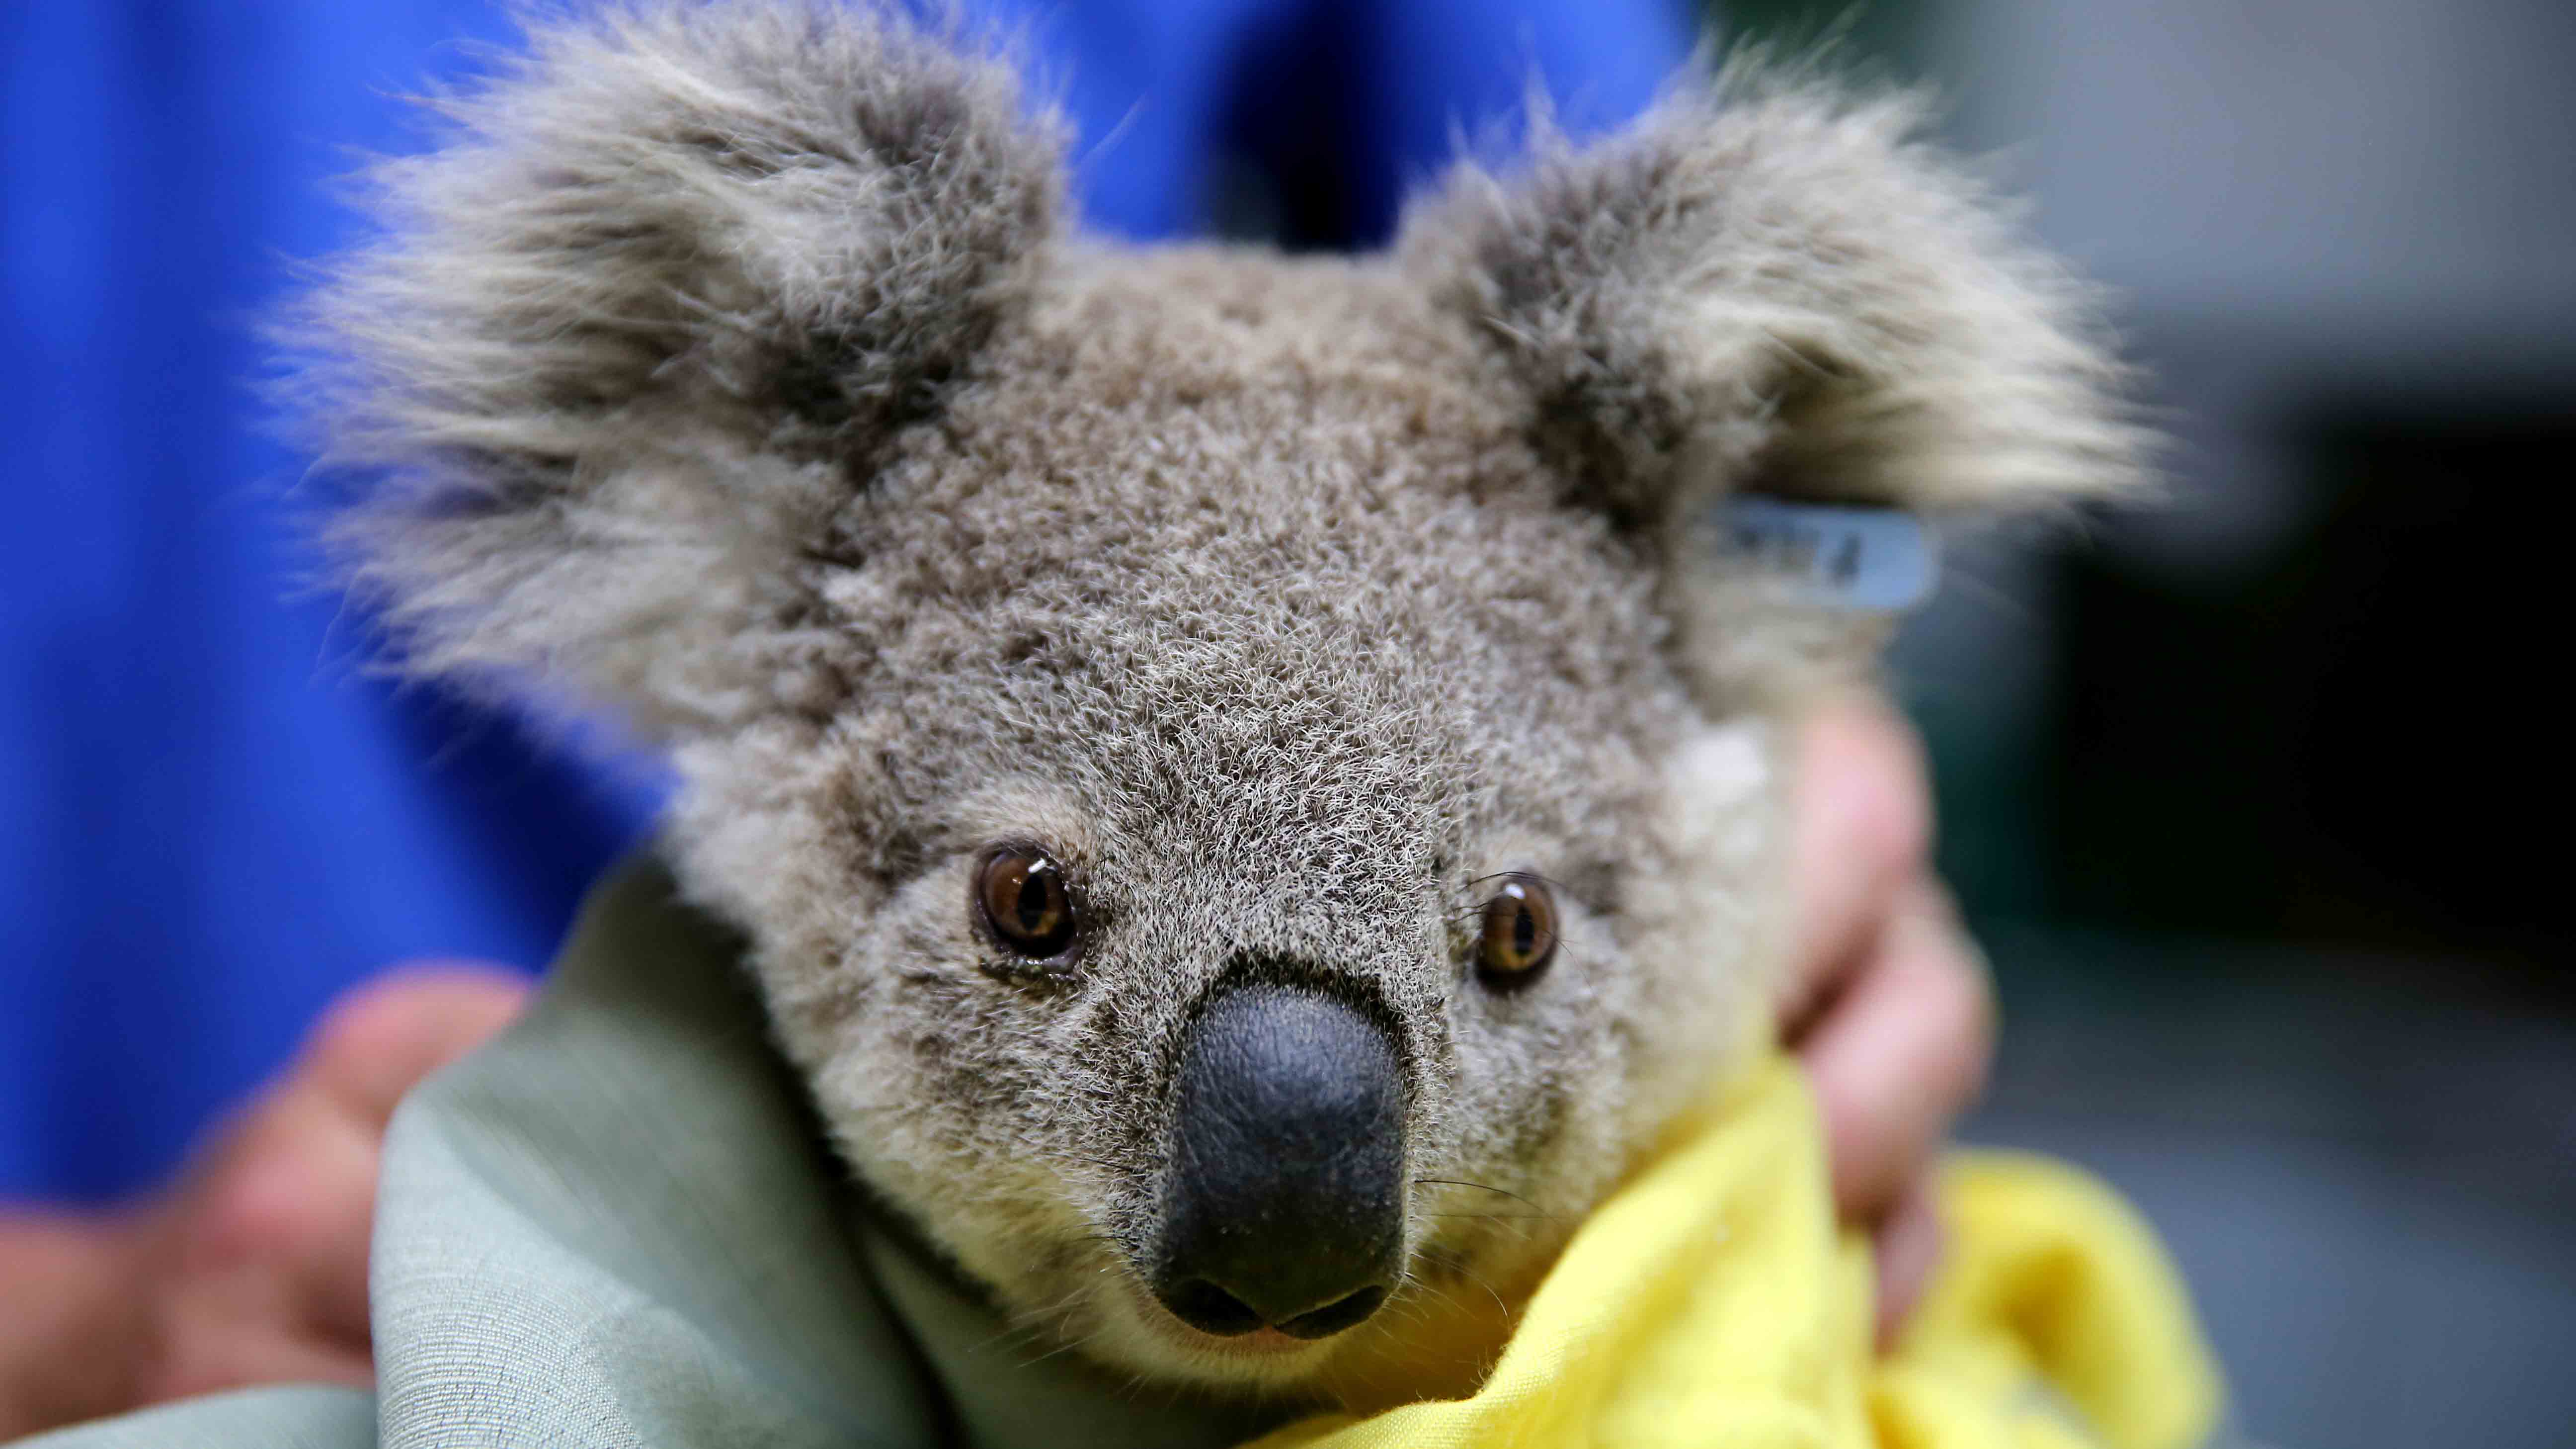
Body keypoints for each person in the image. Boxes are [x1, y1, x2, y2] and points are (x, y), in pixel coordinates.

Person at [0, 1, 1991, 1439]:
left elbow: (1777, 528)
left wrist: (1802, 921)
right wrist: (64, 1339)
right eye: (1035, 906)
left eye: (1517, 936)